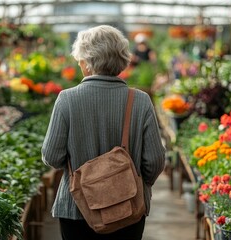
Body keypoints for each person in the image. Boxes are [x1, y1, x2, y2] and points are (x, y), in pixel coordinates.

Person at [42, 25, 166, 240]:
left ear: (86, 63)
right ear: (122, 60)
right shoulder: (140, 101)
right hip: (128, 208)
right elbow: (154, 161)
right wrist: (130, 184)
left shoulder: (67, 99)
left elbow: (52, 156)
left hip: (76, 209)